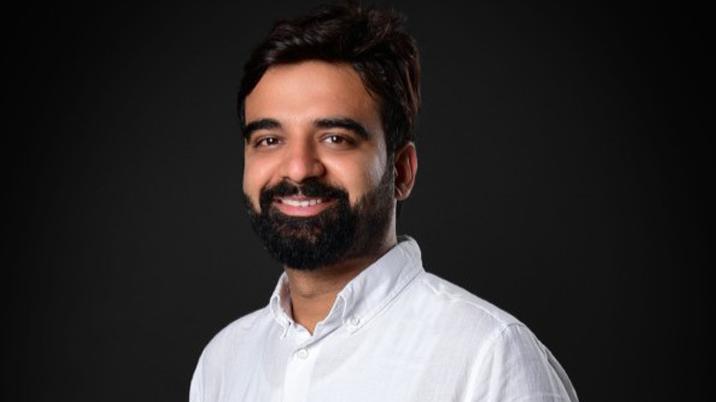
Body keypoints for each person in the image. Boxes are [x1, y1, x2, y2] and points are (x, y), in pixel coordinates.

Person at [190, 3, 578, 401]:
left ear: (402, 171)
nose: (299, 168)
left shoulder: (489, 356)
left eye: (335, 138)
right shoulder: (223, 363)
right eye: (269, 140)